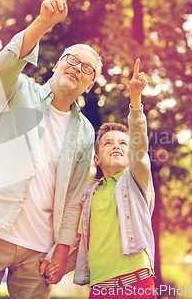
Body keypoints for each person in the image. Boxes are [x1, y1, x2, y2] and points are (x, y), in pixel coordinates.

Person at [0, 0, 103, 299]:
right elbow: (5, 64)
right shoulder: (19, 90)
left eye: (87, 70)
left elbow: (75, 197)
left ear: (89, 86)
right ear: (57, 64)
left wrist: (63, 249)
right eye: (72, 60)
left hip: (38, 251)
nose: (78, 68)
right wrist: (44, 23)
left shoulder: (85, 132)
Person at [43, 59, 156, 299]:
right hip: (99, 289)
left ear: (130, 154)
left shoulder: (136, 182)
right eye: (108, 143)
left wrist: (135, 101)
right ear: (96, 158)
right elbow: (88, 245)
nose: (116, 147)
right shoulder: (89, 195)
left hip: (136, 283)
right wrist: (61, 265)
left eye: (123, 144)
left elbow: (139, 146)